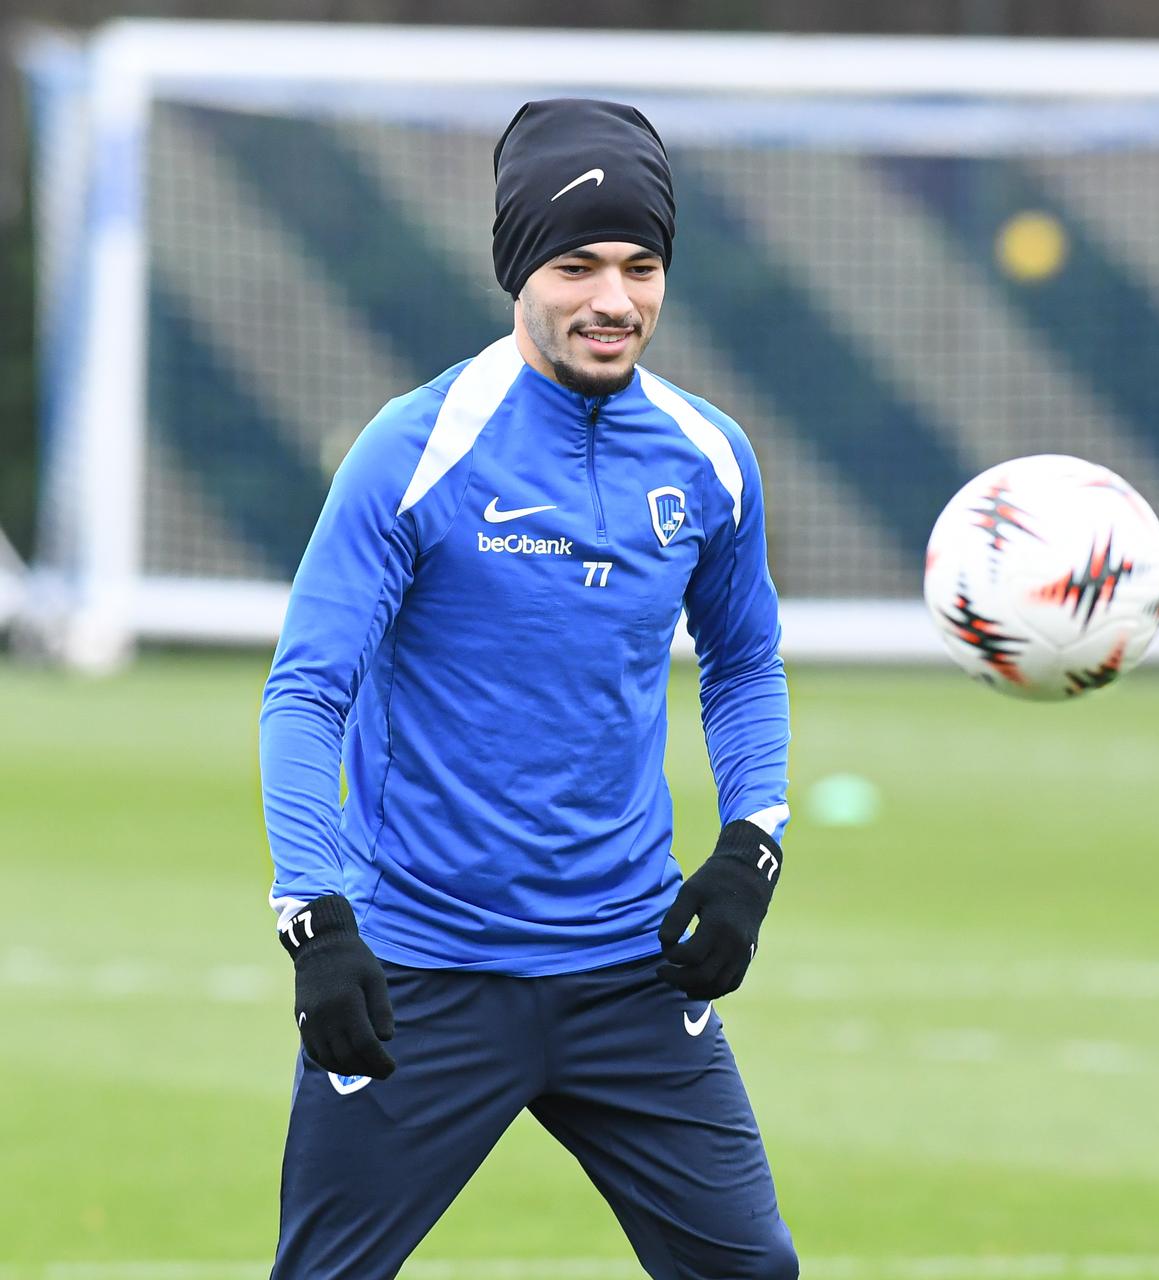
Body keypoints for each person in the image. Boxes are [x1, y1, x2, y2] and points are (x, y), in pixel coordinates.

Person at [259, 98, 797, 1280]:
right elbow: (306, 690)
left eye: (642, 265)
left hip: (627, 967)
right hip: (423, 970)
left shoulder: (709, 456)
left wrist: (753, 842)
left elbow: (745, 660)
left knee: (751, 1270)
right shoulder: (415, 449)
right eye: (578, 263)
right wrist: (315, 917)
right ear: (519, 271)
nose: (615, 299)